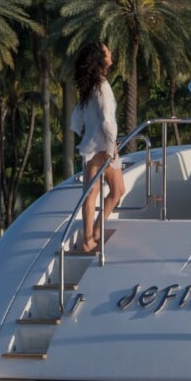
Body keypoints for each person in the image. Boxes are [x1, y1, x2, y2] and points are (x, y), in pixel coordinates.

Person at [70, 41, 123, 254]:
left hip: (97, 144)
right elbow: (106, 120)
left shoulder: (93, 86)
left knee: (117, 190)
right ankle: (88, 239)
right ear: (100, 59)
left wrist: (86, 132)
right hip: (101, 146)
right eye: (107, 51)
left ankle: (95, 232)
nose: (110, 52)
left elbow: (78, 116)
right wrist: (112, 145)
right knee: (93, 192)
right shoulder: (101, 86)